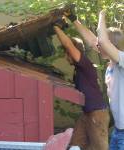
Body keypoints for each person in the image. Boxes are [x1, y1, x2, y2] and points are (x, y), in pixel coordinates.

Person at [64, 7, 124, 150]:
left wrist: (102, 15)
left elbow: (102, 42)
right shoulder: (113, 61)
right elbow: (93, 40)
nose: (97, 45)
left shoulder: (122, 60)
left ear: (111, 46)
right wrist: (74, 19)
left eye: (101, 44)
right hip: (118, 131)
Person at [54, 20, 110, 150]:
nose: (65, 56)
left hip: (97, 114)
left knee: (99, 148)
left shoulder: (84, 63)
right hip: (87, 114)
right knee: (75, 144)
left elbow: (68, 44)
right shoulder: (78, 69)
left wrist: (55, 27)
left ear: (72, 52)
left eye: (66, 53)